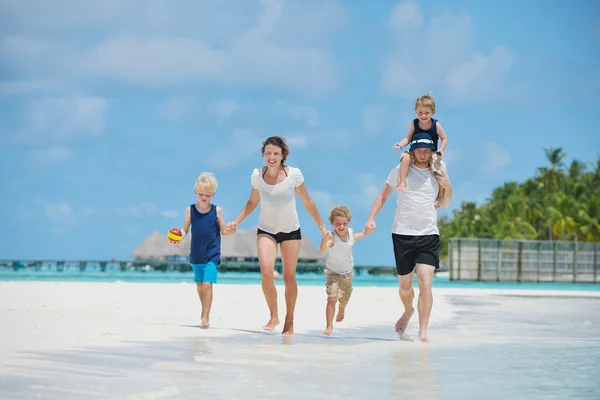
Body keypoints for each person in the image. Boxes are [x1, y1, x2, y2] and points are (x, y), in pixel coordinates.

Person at [227, 136, 328, 335]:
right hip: (266, 229)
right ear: (263, 155)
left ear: (283, 156)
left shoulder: (294, 175)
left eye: (276, 153)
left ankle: (289, 320)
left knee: (289, 277)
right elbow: (252, 202)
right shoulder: (257, 175)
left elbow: (308, 202)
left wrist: (322, 226)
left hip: (291, 231)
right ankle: (274, 315)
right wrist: (236, 222)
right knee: (266, 272)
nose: (271, 157)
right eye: (268, 153)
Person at [365, 132, 453, 343]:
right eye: (418, 150)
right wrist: (371, 218)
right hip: (402, 233)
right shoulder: (400, 170)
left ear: (431, 151)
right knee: (405, 287)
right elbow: (382, 195)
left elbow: (446, 202)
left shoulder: (438, 170)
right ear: (412, 151)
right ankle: (408, 310)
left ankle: (423, 332)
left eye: (426, 151)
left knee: (425, 281)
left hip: (428, 234)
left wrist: (447, 186)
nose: (422, 154)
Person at [169, 172, 233, 329]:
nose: (204, 197)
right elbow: (185, 229)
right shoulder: (190, 210)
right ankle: (205, 307)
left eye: (208, 195)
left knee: (207, 284)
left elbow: (223, 230)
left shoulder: (217, 211)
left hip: (212, 252)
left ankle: (205, 316)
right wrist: (177, 238)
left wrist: (229, 230)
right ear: (195, 192)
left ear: (213, 194)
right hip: (196, 252)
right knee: (199, 284)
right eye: (201, 194)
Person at [319, 205, 370, 336]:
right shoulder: (332, 237)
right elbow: (324, 250)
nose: (341, 227)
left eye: (344, 223)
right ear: (332, 223)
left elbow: (357, 236)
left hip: (347, 273)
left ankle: (341, 309)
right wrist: (323, 241)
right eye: (337, 224)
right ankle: (329, 325)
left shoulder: (350, 234)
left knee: (345, 297)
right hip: (332, 272)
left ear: (348, 223)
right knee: (332, 297)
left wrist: (365, 233)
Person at [392, 92, 449, 204]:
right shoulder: (414, 124)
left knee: (440, 169)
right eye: (420, 113)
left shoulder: (435, 125)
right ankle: (403, 182)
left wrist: (441, 149)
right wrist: (400, 145)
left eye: (426, 113)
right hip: (415, 150)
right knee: (405, 158)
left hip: (431, 152)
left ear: (433, 112)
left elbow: (444, 138)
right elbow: (407, 138)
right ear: (415, 112)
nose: (423, 116)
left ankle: (441, 196)